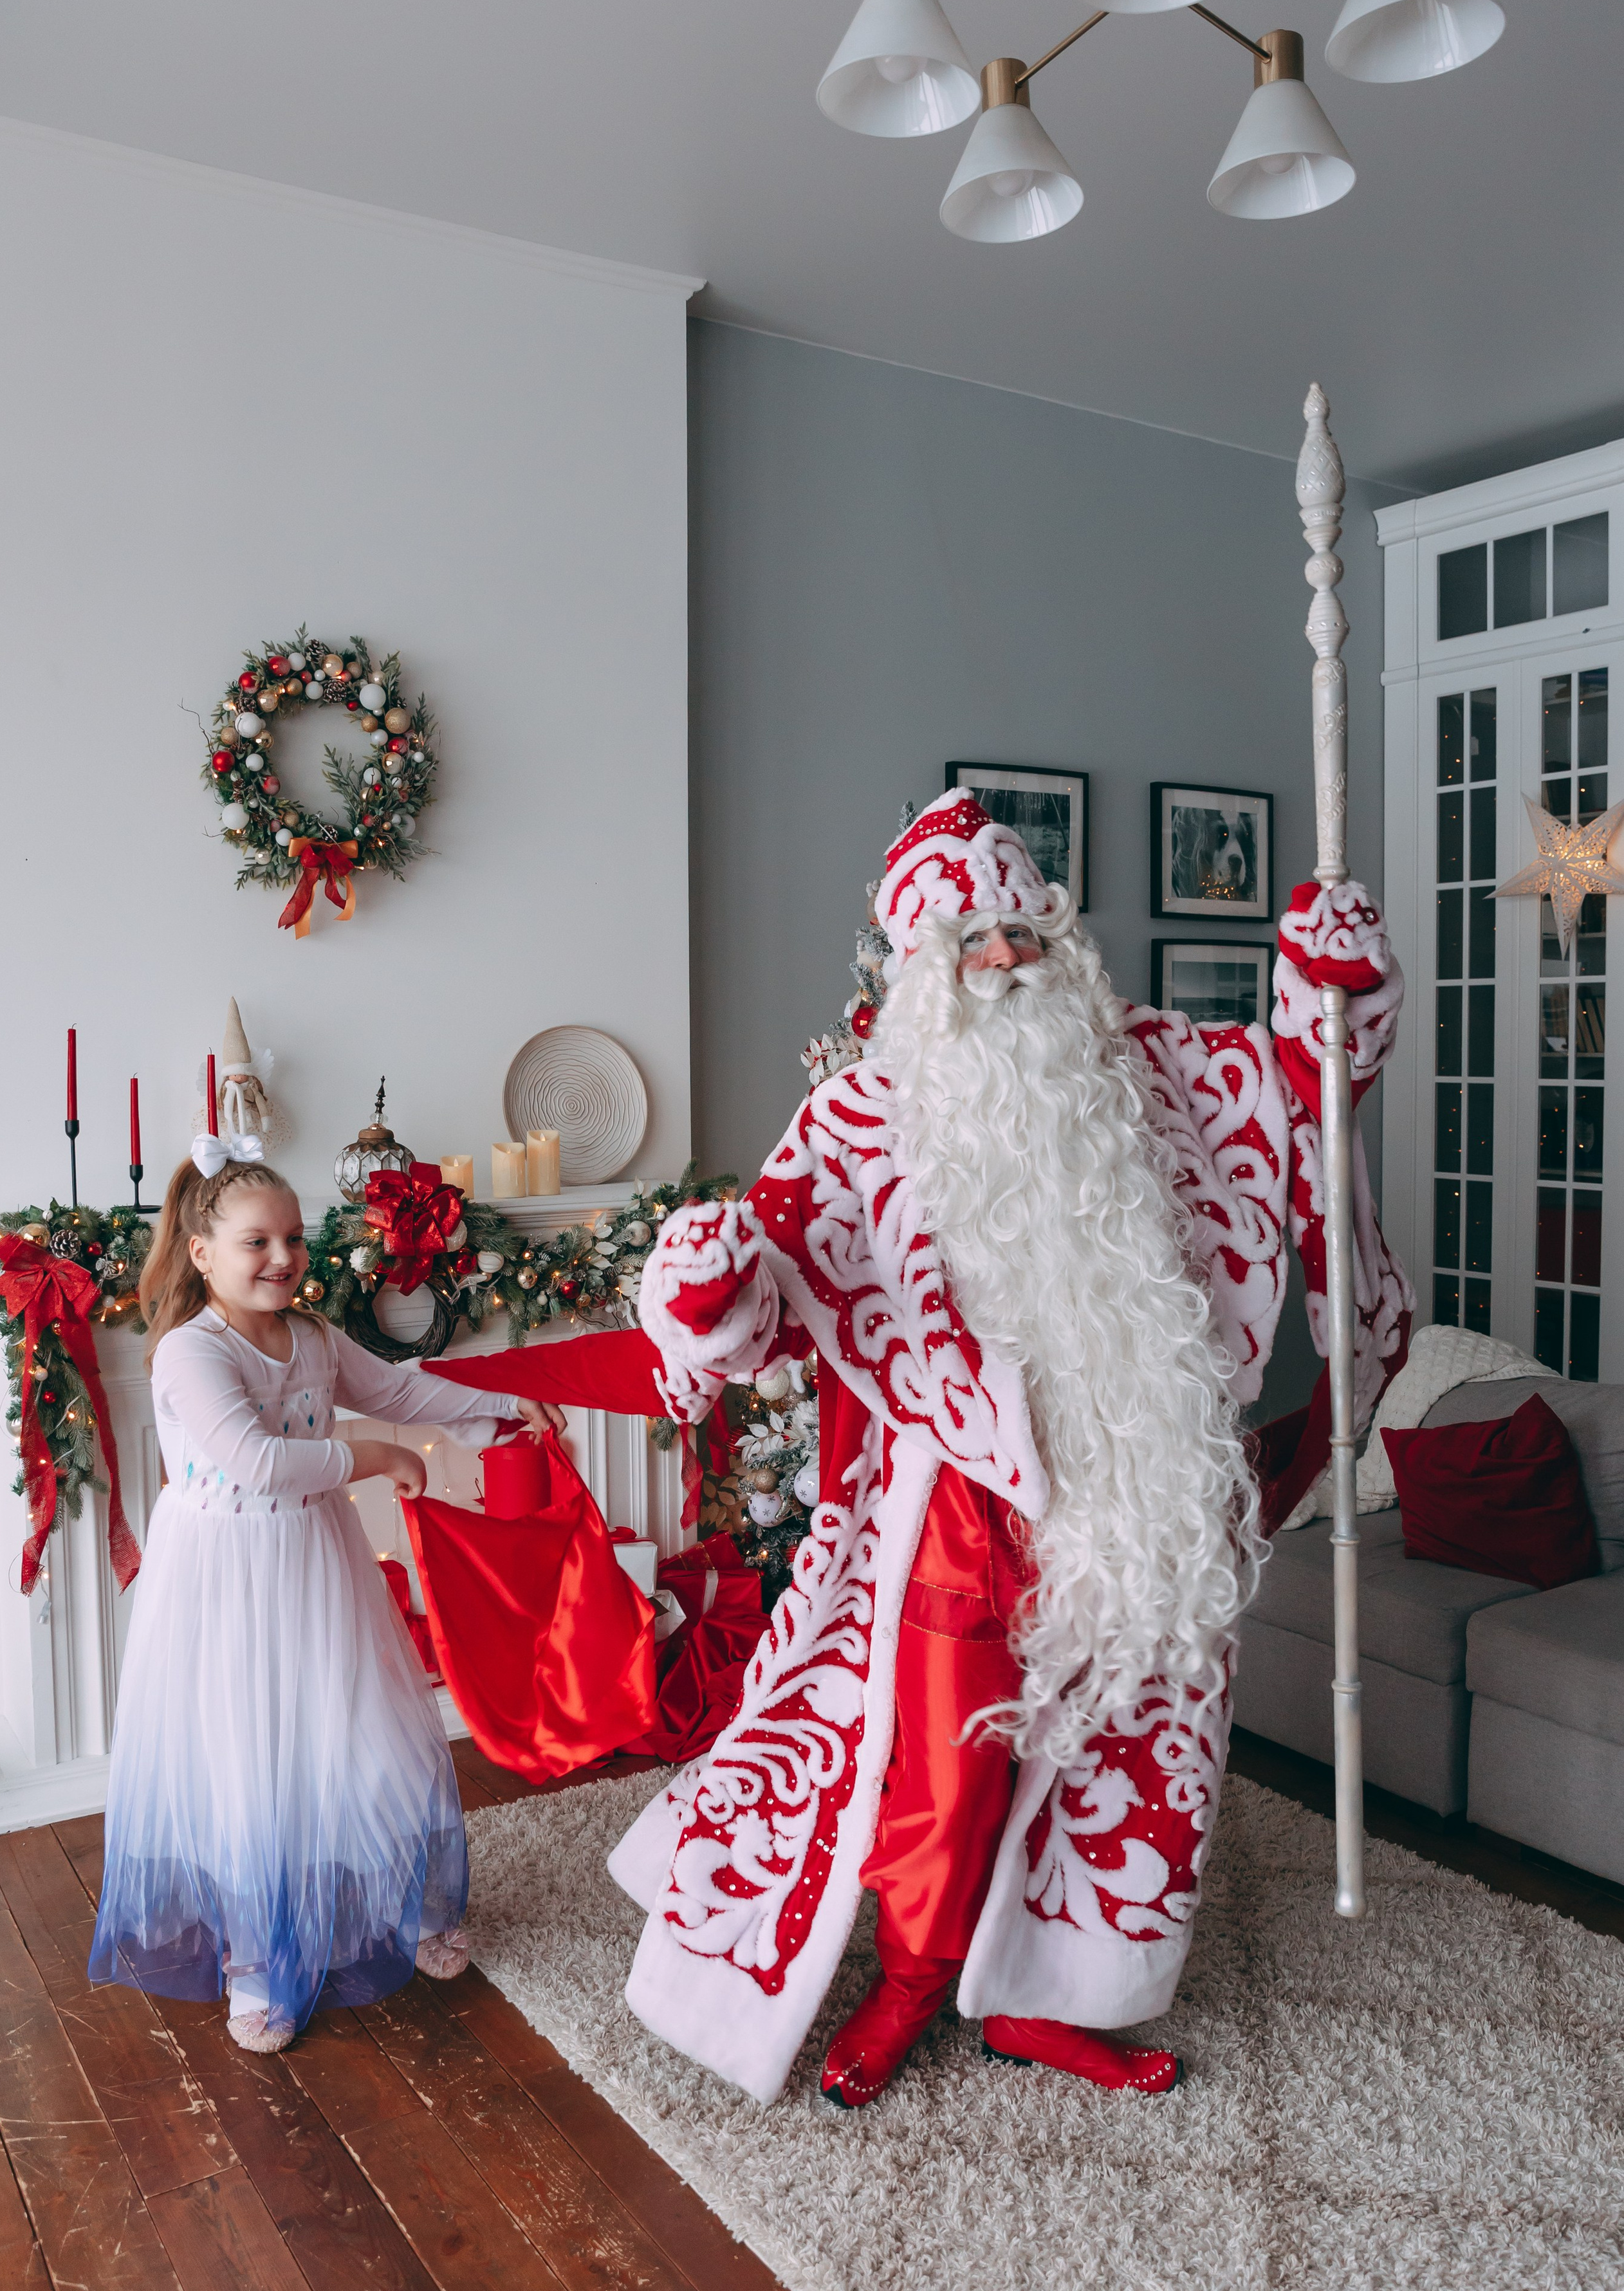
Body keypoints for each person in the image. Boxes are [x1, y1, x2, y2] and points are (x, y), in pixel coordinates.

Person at [453, 791, 1410, 2107]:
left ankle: (1055, 2000)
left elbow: (1305, 1088)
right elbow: (763, 1295)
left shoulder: (1167, 1065)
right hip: (962, 1494)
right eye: (972, 942)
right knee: (945, 1762)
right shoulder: (860, 1117)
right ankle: (911, 1974)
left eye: (1021, 931)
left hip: (1145, 1477)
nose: (1006, 959)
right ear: (921, 974)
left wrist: (1329, 984)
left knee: (1130, 1750)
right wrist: (702, 1288)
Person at [88, 1136, 533, 2054]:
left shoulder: (315, 1337)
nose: (283, 1257)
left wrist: (501, 1411)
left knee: (365, 1732)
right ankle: (258, 1959)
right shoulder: (187, 1352)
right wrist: (377, 1456)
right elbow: (255, 1459)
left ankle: (400, 1906)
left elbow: (403, 1384)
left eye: (292, 1238)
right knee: (250, 1765)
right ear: (203, 1253)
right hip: (225, 1580)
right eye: (257, 1242)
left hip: (316, 1564)